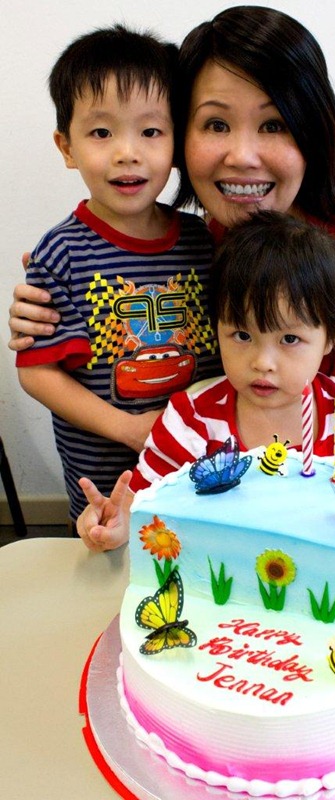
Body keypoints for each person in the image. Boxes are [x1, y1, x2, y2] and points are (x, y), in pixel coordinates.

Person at [8, 7, 335, 610]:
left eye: (274, 124)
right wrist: (49, 298)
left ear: (314, 132)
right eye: (216, 124)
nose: (242, 155)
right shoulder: (196, 244)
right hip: (226, 542)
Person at [77, 211, 335, 647]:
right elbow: (141, 504)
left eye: (289, 339)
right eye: (241, 335)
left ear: (329, 337)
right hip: (223, 628)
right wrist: (114, 526)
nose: (262, 362)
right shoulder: (191, 420)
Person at [14, 24, 218, 524]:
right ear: (67, 147)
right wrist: (129, 429)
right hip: (108, 480)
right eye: (102, 133)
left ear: (177, 141)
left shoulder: (204, 240)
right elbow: (38, 372)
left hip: (201, 474)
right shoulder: (62, 253)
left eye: (151, 131)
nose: (128, 152)